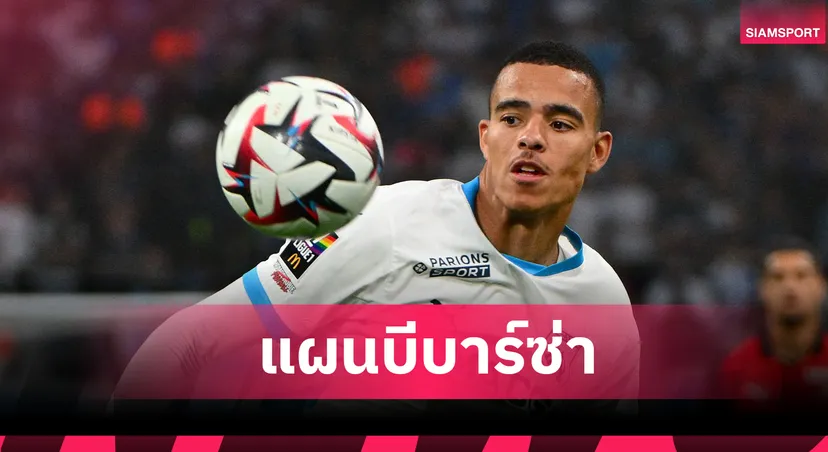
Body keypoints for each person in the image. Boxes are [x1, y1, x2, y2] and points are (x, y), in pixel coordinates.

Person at [115, 40, 640, 418]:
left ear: (598, 152)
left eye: (560, 124)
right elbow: (189, 341)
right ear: (485, 137)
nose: (530, 138)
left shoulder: (604, 306)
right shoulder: (383, 222)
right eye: (511, 118)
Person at [719, 238, 828, 413]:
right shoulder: (736, 368)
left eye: (801, 275)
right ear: (762, 288)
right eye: (778, 277)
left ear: (821, 286)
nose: (790, 287)